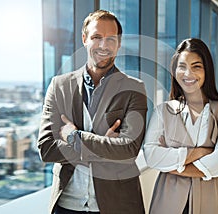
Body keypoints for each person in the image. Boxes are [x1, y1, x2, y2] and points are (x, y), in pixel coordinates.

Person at [37, 10, 147, 214]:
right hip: (66, 206)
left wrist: (74, 137)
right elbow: (47, 148)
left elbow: (128, 150)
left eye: (110, 39)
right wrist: (105, 145)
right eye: (97, 37)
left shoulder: (134, 88)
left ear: (119, 43)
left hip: (118, 205)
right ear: (84, 39)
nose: (104, 45)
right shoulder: (59, 86)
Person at [143, 38, 218, 214]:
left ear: (207, 70)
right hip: (167, 202)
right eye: (182, 66)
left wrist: (172, 165)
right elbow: (151, 154)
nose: (188, 73)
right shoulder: (163, 111)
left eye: (196, 66)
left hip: (212, 201)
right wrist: (198, 153)